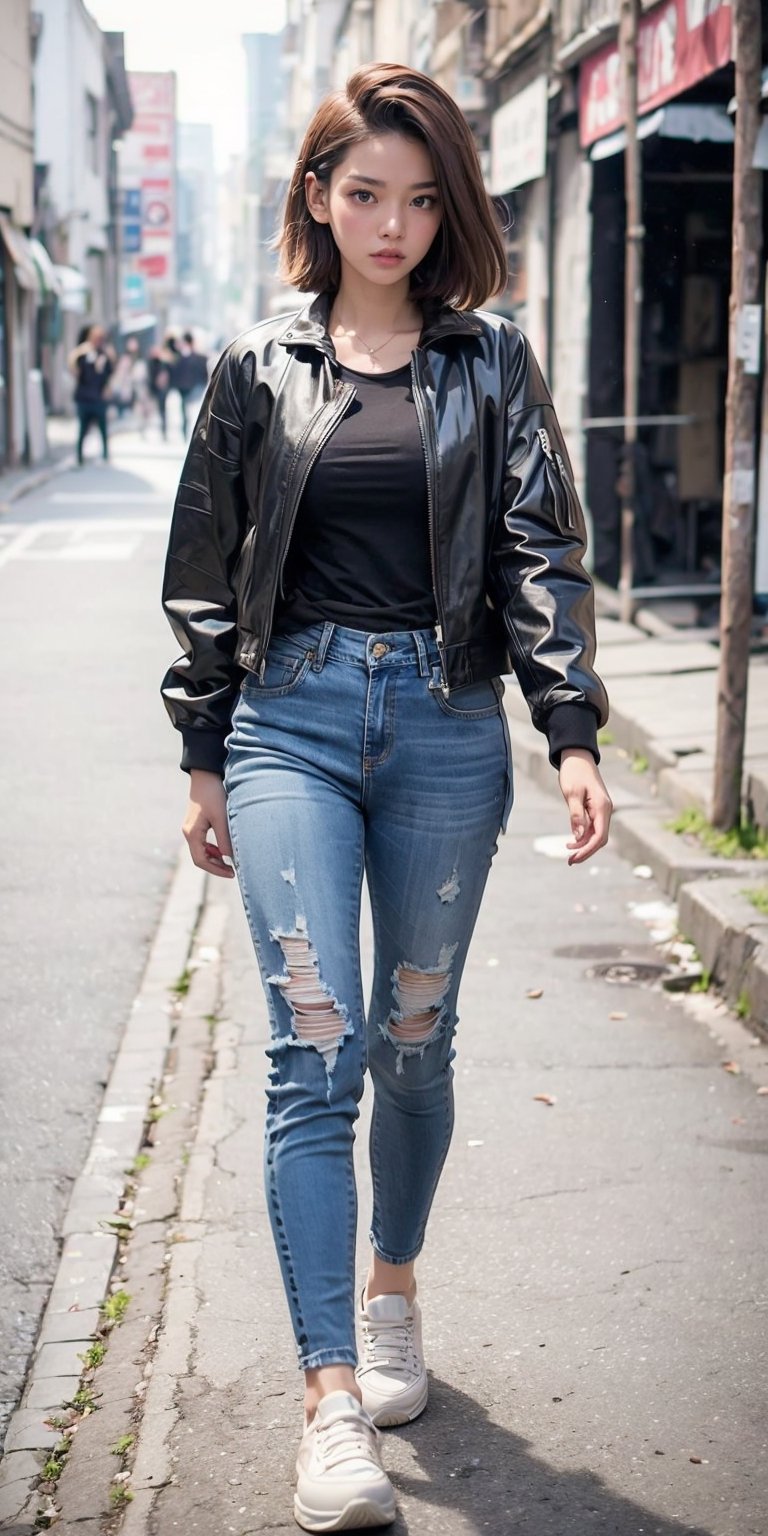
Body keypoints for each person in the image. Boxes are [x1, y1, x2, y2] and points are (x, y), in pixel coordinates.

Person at [161, 63, 611, 1534]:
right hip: (289, 720)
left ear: (449, 210)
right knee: (317, 1039)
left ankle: (395, 1289)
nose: (394, 223)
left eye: (422, 200)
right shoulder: (253, 367)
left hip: (441, 726)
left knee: (414, 1036)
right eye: (366, 194)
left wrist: (573, 726)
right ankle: (330, 1399)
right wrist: (199, 748)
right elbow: (207, 567)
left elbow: (540, 544)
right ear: (316, 197)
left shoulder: (491, 365)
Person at [68, 324, 115, 464]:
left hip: (99, 398)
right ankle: (79, 456)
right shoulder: (82, 354)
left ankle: (106, 454)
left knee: (103, 428)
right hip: (84, 398)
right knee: (83, 429)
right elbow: (77, 371)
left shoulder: (105, 355)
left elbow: (110, 372)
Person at [171, 331, 208, 436]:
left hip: (193, 388)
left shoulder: (199, 357)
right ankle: (186, 432)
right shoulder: (179, 357)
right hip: (184, 389)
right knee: (185, 412)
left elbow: (203, 374)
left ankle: (191, 432)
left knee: (191, 412)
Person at [147, 343, 173, 439]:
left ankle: (163, 430)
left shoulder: (163, 363)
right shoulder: (150, 363)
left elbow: (169, 373)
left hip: (162, 390)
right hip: (153, 390)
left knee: (162, 410)